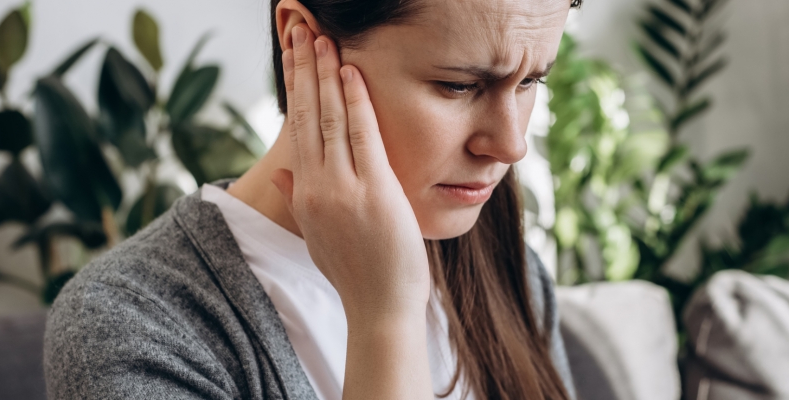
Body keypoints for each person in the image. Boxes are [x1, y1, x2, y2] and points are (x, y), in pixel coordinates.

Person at [44, 0, 582, 398]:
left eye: (532, 80)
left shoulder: (503, 261)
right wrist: (385, 319)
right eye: (458, 85)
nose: (512, 145)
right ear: (300, 39)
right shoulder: (132, 326)